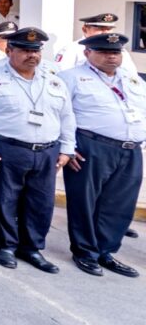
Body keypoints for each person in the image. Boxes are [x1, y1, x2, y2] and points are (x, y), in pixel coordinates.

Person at [0, 27, 74, 273]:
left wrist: (67, 148)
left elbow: (67, 116)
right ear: (9, 51)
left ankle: (31, 248)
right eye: (25, 50)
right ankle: (6, 246)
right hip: (7, 148)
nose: (32, 55)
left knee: (41, 202)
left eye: (36, 50)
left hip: (47, 150)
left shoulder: (53, 80)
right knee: (6, 199)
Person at [58, 32, 145, 278]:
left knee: (119, 204)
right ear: (87, 53)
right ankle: (85, 252)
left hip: (130, 149)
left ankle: (106, 251)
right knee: (85, 202)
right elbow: (60, 114)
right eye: (104, 52)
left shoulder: (132, 79)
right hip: (90, 146)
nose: (111, 57)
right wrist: (68, 146)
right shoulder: (70, 78)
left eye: (115, 52)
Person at [54, 13, 134, 70]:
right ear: (85, 29)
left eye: (109, 29)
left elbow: (131, 74)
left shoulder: (120, 51)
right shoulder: (71, 49)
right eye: (100, 29)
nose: (105, 32)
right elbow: (62, 76)